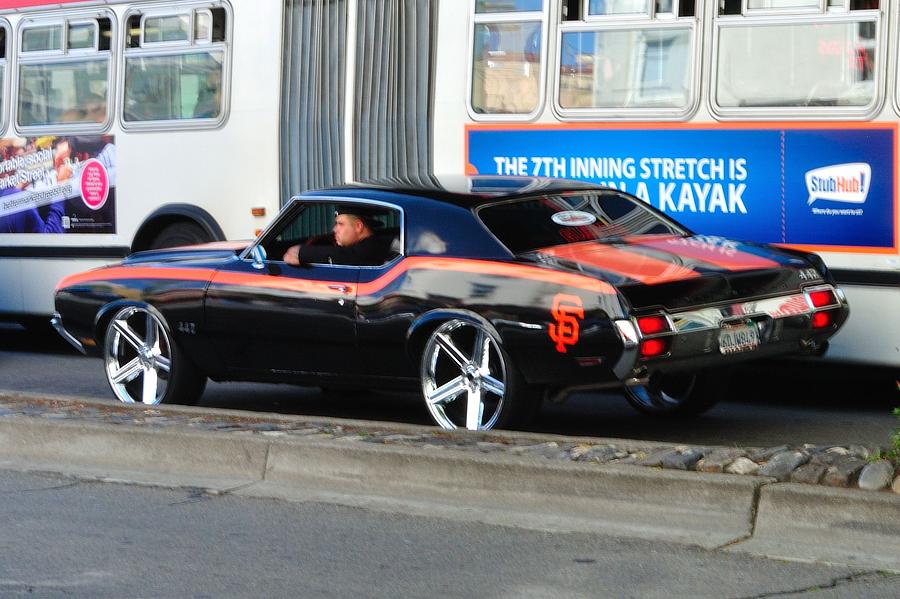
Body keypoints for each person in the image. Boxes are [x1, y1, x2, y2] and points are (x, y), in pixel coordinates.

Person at [282, 206, 392, 267]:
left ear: (358, 226)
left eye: (340, 224)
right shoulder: (371, 244)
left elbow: (346, 256)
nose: (334, 229)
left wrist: (301, 253)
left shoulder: (372, 247)